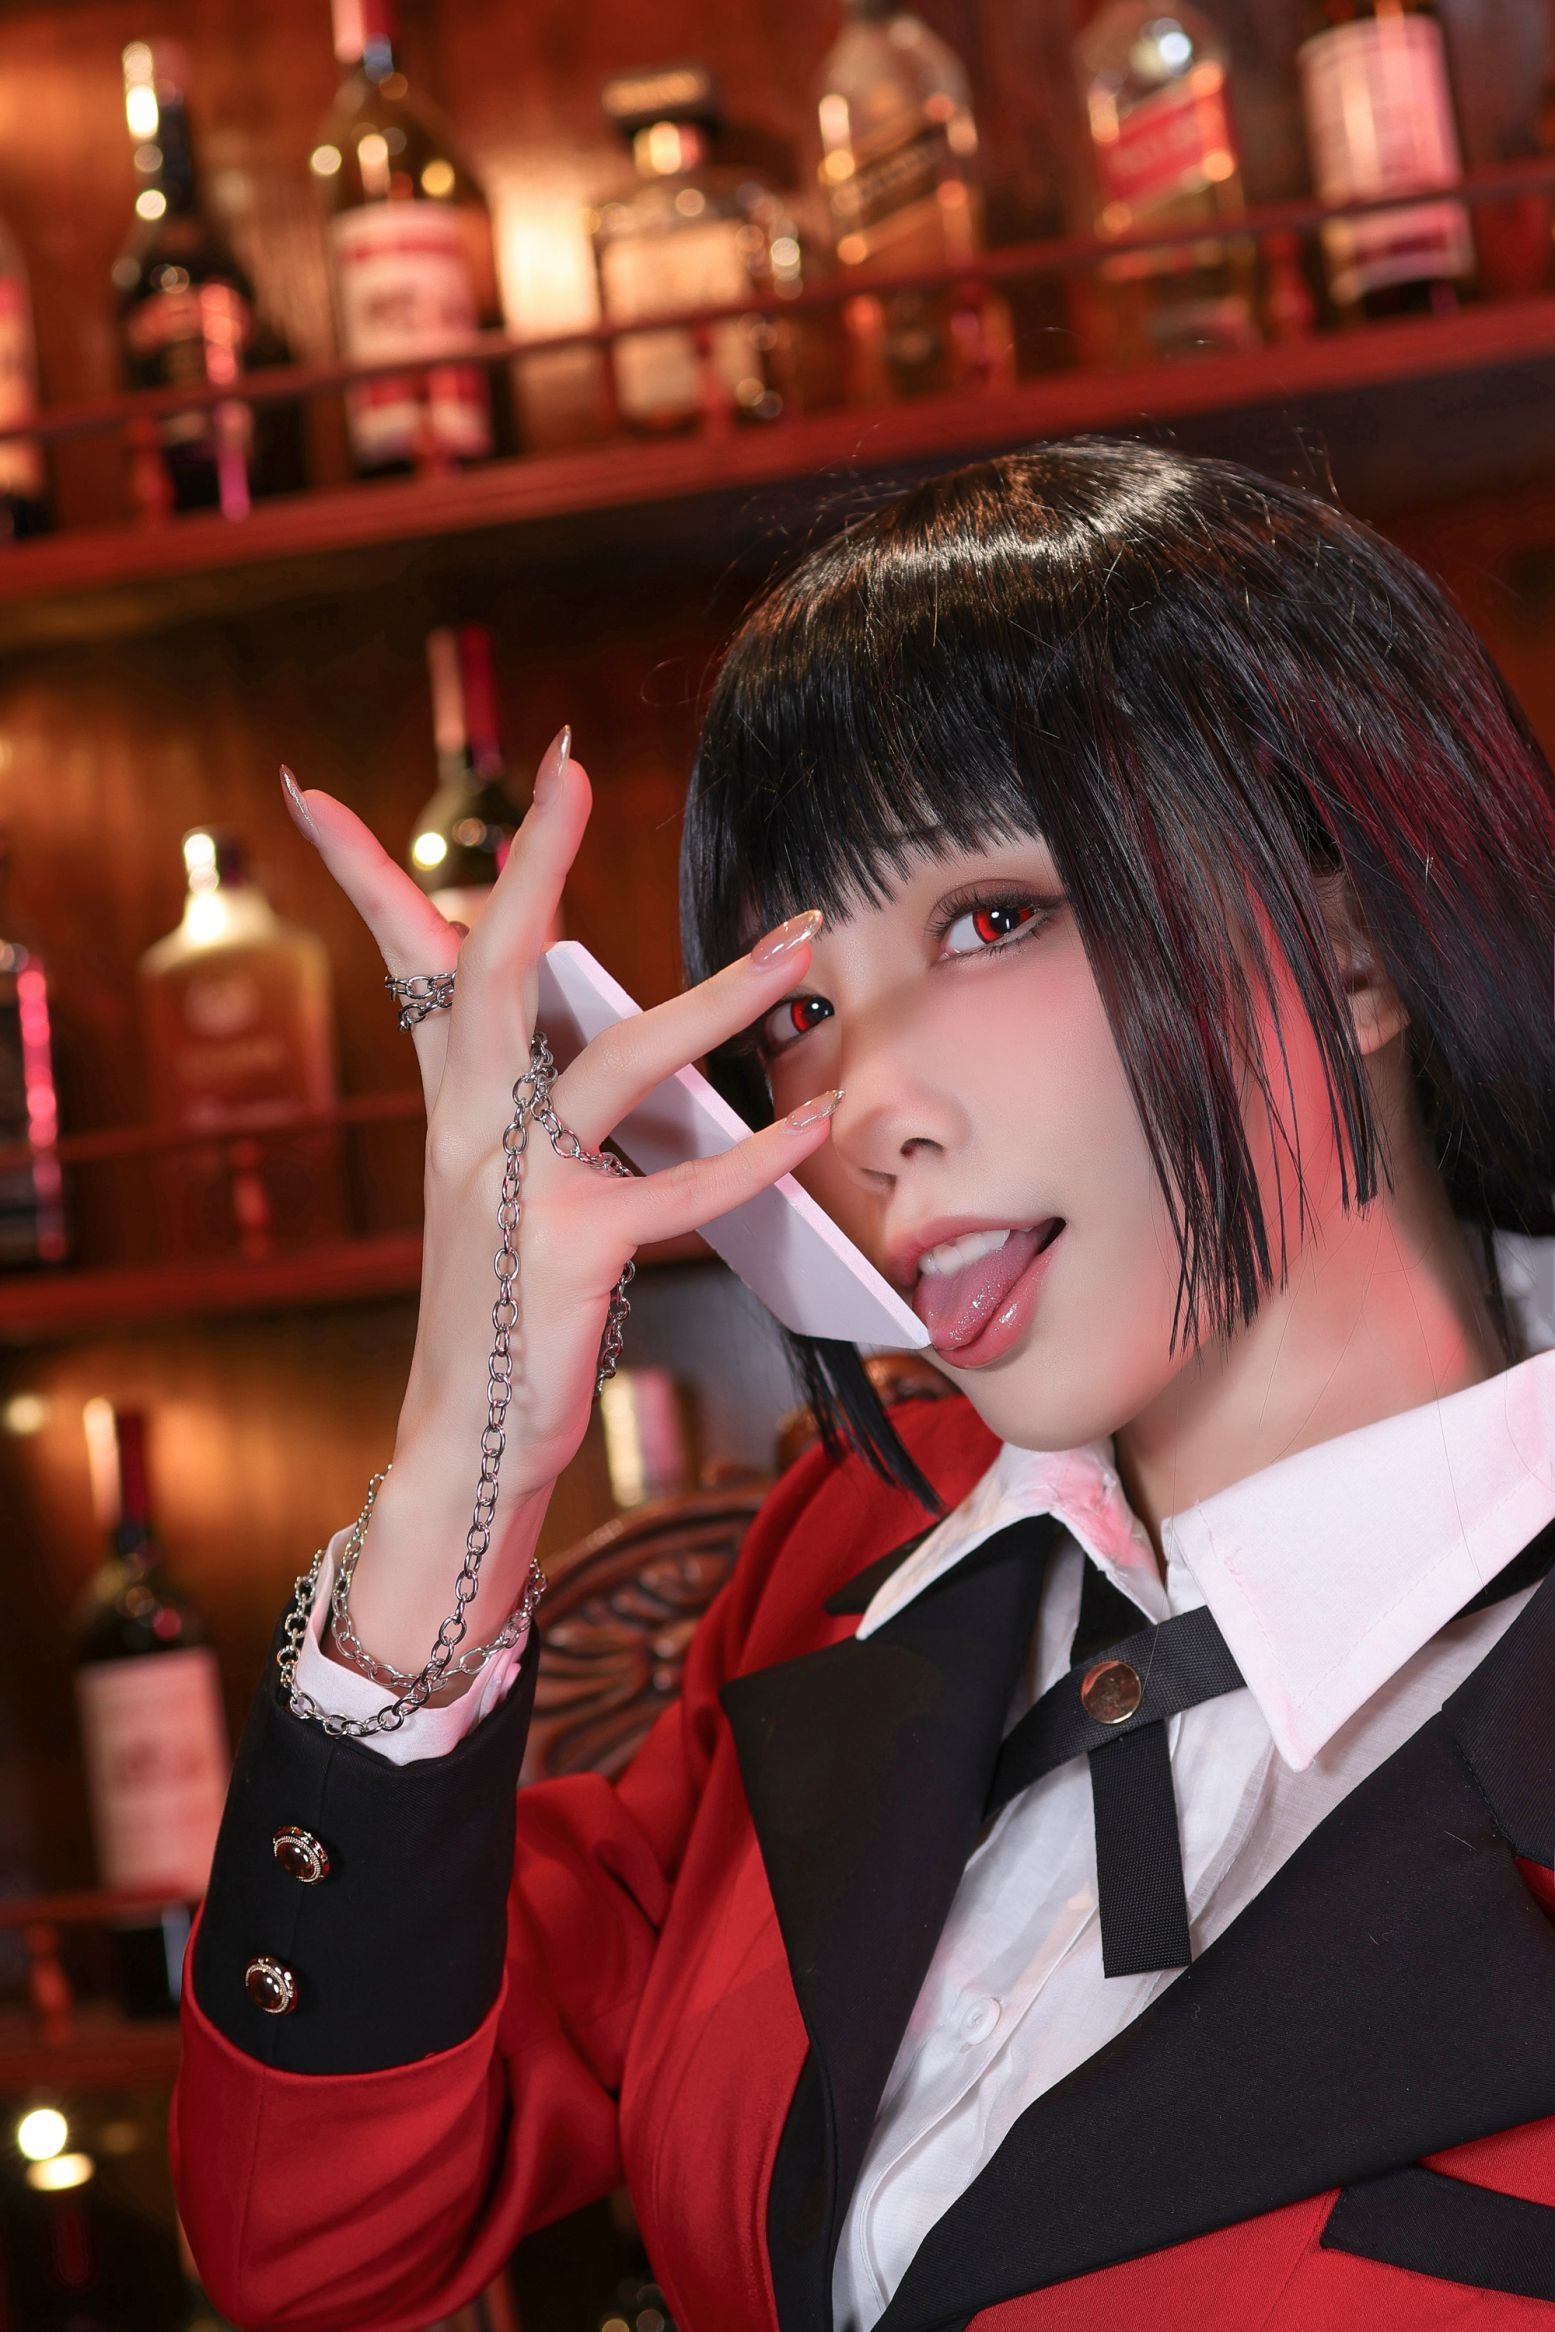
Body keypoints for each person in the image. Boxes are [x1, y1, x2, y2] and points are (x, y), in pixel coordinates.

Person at [170, 436, 1555, 2332]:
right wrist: (461, 1462)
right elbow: (313, 2246)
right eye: (804, 1007)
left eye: (991, 916)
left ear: (1351, 940)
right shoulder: (857, 1552)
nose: (861, 1109)